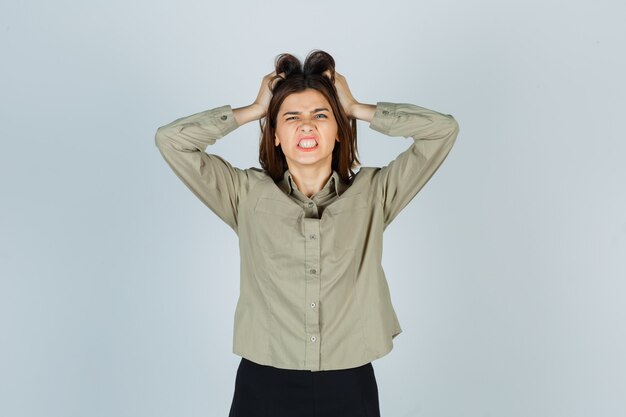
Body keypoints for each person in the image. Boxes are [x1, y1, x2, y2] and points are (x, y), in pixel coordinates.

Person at [155, 50, 459, 417]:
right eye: (291, 117)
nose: (306, 125)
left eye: (320, 115)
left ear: (339, 130)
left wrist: (357, 106)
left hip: (349, 382)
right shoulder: (244, 194)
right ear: (277, 135)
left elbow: (442, 131)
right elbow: (171, 140)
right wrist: (254, 110)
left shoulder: (375, 194)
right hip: (264, 382)